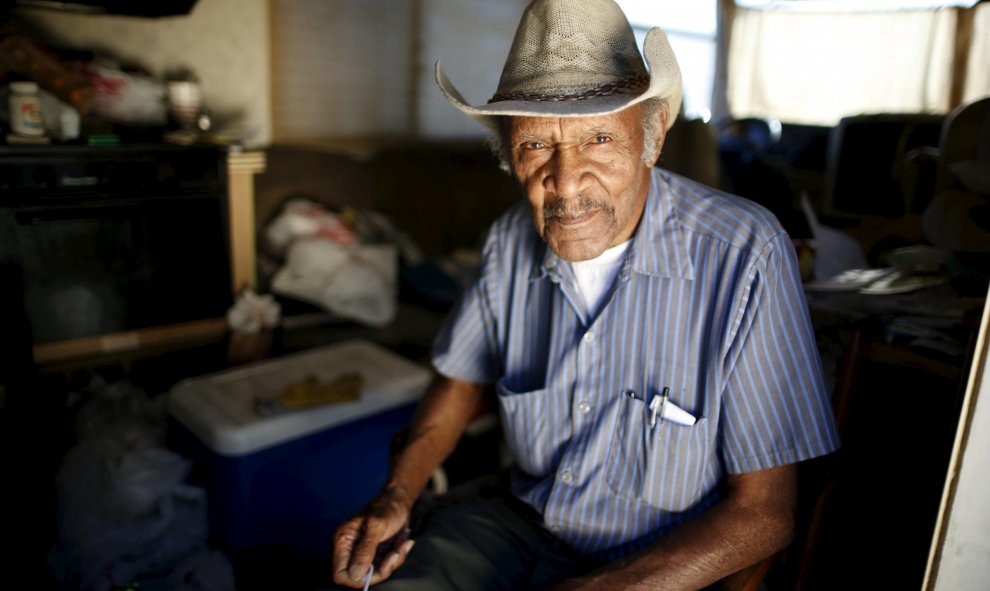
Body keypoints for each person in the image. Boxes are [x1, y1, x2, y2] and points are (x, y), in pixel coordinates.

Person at [331, 1, 840, 589]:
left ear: (651, 136)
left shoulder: (746, 253)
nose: (565, 182)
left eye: (599, 138)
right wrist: (396, 495)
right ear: (507, 155)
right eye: (534, 146)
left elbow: (766, 515)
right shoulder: (507, 242)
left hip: (657, 557)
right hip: (519, 524)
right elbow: (462, 378)